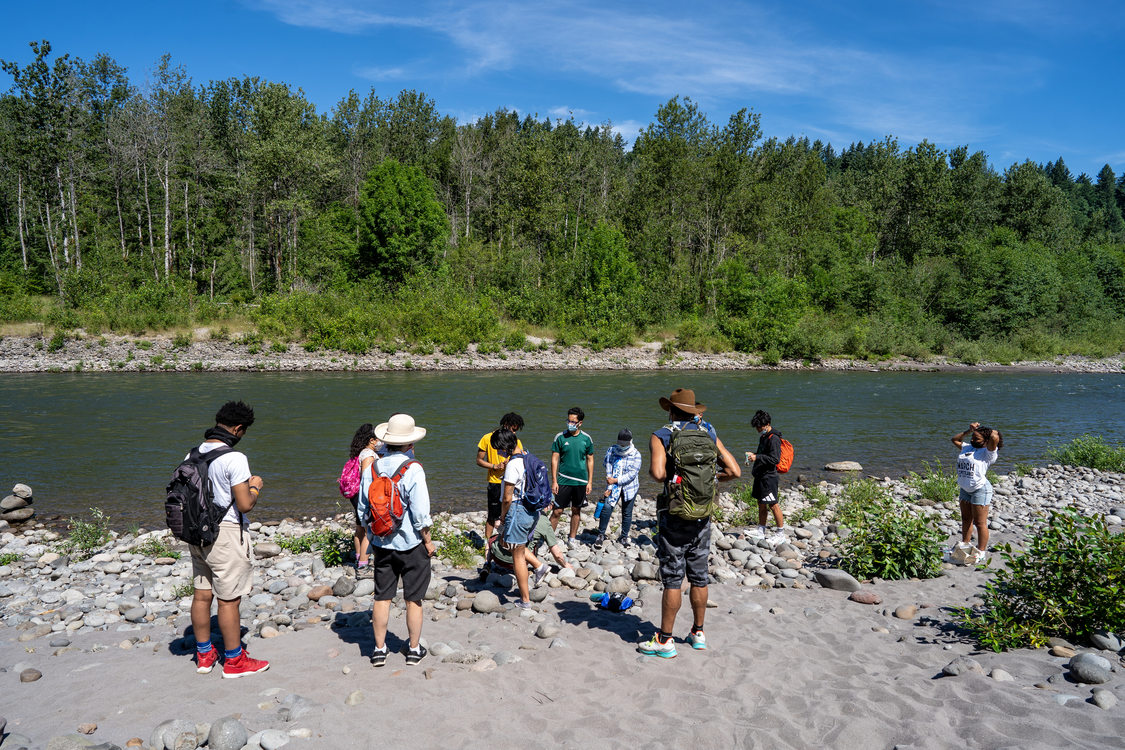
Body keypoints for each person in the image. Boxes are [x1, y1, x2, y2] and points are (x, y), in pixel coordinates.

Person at [639, 388, 740, 658]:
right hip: (703, 514)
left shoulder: (661, 434)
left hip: (675, 515)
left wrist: (676, 478)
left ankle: (665, 640)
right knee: (699, 576)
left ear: (671, 410)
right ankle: (698, 633)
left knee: (673, 579)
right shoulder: (708, 431)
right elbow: (735, 471)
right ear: (694, 411)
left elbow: (658, 473)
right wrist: (711, 479)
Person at [188, 400, 270, 678]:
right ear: (238, 428)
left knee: (202, 596)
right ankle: (234, 661)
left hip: (197, 534)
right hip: (224, 534)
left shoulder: (194, 454)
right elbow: (245, 504)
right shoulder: (235, 458)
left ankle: (204, 654)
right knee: (228, 599)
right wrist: (255, 487)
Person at [359, 413, 435, 667]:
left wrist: (370, 535)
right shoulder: (413, 469)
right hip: (411, 543)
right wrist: (428, 541)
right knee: (413, 598)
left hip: (382, 543)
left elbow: (363, 507)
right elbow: (420, 513)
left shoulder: (373, 466)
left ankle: (379, 650)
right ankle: (414, 649)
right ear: (411, 444)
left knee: (382, 597)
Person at [494, 429, 541, 608]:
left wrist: (503, 517)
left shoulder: (512, 465)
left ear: (504, 447)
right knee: (518, 550)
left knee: (518, 556)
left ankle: (525, 600)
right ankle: (529, 588)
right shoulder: (527, 457)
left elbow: (507, 498)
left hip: (517, 511)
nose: (498, 453)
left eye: (498, 449)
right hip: (531, 510)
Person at [951, 422, 1003, 566]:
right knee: (966, 519)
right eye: (972, 437)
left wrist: (985, 430)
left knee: (980, 523)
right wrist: (969, 430)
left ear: (986, 442)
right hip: (965, 489)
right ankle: (965, 545)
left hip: (980, 489)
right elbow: (954, 440)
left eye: (977, 438)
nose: (973, 440)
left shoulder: (988, 453)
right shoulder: (967, 447)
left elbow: (994, 437)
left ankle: (981, 552)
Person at [549, 407, 594, 548]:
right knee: (557, 511)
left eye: (573, 421)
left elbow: (590, 460)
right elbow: (554, 459)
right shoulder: (560, 437)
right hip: (563, 480)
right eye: (568, 420)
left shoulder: (586, 439)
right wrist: (554, 480)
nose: (569, 423)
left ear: (580, 423)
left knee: (576, 510)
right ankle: (548, 540)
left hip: (580, 481)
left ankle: (572, 539)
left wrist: (590, 482)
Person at [476, 413, 524, 540]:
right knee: (492, 515)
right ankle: (487, 542)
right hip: (495, 482)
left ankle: (505, 539)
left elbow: (521, 460)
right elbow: (479, 460)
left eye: (516, 430)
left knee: (508, 514)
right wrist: (494, 466)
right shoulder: (488, 438)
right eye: (513, 429)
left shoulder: (516, 441)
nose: (514, 433)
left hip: (511, 482)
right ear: (505, 425)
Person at [487, 514, 573, 583]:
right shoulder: (543, 521)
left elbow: (497, 525)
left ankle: (487, 564)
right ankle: (531, 568)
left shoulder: (515, 509)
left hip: (498, 558)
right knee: (534, 543)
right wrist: (565, 565)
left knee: (492, 539)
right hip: (518, 561)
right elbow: (557, 553)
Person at [595, 428, 642, 547]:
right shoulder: (611, 450)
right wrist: (610, 484)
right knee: (606, 508)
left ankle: (624, 536)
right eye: (620, 443)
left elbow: (632, 474)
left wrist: (616, 480)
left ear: (630, 442)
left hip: (629, 487)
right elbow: (608, 465)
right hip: (613, 486)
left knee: (627, 512)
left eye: (624, 444)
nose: (621, 446)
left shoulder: (636, 454)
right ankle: (601, 534)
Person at [746, 410, 787, 545]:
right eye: (756, 426)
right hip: (761, 475)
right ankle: (761, 531)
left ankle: (781, 534)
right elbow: (763, 453)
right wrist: (754, 455)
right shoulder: (764, 437)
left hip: (769, 477)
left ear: (767, 424)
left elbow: (775, 459)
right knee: (761, 503)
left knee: (773, 504)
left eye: (759, 426)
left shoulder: (774, 438)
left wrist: (757, 457)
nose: (758, 429)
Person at [347, 423, 379, 573]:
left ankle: (359, 557)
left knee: (359, 528)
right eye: (378, 439)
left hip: (356, 493)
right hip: (364, 494)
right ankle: (363, 564)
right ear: (372, 440)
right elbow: (367, 478)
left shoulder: (360, 452)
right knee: (368, 530)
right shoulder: (369, 454)